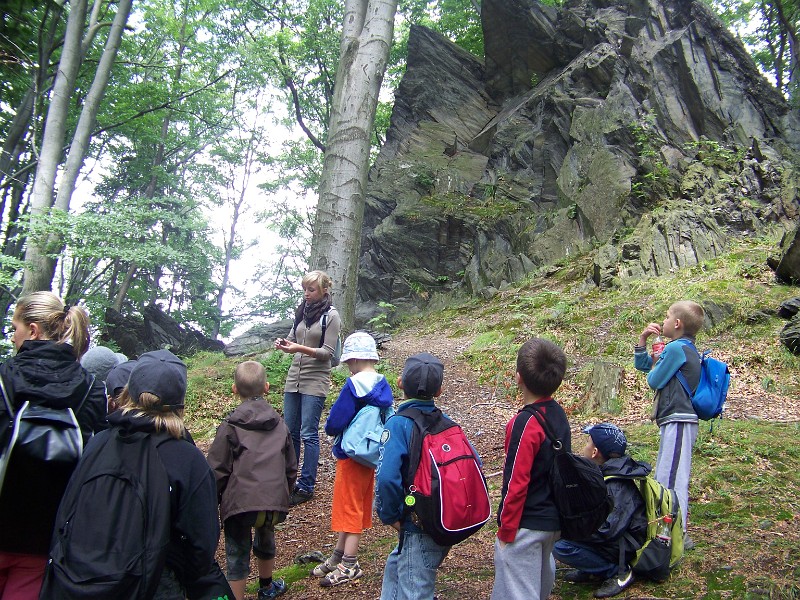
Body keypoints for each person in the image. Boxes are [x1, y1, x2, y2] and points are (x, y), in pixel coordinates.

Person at [0, 292, 106, 600]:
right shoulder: (91, 389)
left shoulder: (4, 377)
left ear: (33, 330)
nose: (13, 336)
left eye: (15, 328)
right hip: (46, 538)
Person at [102, 350, 231, 598]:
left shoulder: (97, 445)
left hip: (90, 578)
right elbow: (202, 545)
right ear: (181, 404)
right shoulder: (187, 458)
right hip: (157, 583)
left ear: (128, 392)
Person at [207, 360, 297, 600]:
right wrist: (284, 493)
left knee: (237, 553)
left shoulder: (230, 426)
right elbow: (290, 466)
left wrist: (214, 499)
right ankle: (266, 587)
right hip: (272, 501)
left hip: (240, 503)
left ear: (234, 389)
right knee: (266, 535)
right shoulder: (280, 424)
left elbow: (217, 468)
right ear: (266, 387)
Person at [312, 332, 393, 587]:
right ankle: (338, 556)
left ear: (356, 359)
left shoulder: (354, 386)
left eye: (348, 361)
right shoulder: (383, 385)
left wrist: (330, 428)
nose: (348, 366)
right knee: (355, 504)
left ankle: (350, 564)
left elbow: (335, 421)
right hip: (369, 455)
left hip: (350, 454)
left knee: (349, 508)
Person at [491, 337, 570, 600]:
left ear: (518, 378)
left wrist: (506, 529)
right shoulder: (558, 414)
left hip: (526, 525)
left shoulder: (524, 423)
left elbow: (516, 481)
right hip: (552, 522)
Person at [375, 352, 448, 600]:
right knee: (397, 567)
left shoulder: (398, 424)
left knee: (415, 589)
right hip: (444, 518)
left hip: (417, 524)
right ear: (439, 391)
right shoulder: (448, 423)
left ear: (399, 383)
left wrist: (390, 515)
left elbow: (386, 478)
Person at [553, 423, 650, 598]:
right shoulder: (605, 473)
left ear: (594, 452)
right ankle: (592, 569)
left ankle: (617, 572)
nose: (584, 446)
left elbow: (608, 530)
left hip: (624, 545)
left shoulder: (616, 484)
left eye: (588, 442)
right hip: (614, 538)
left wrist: (572, 529)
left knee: (560, 545)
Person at [634, 300, 703, 543]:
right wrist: (643, 340)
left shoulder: (676, 349)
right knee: (668, 474)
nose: (663, 321)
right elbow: (646, 366)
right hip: (674, 419)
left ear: (677, 323)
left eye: (666, 317)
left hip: (679, 419)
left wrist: (657, 361)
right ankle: (669, 531)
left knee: (672, 478)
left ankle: (675, 535)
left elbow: (653, 379)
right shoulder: (682, 348)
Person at [274, 270, 341, 505]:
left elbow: (327, 353)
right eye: (304, 289)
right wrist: (284, 344)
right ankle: (289, 480)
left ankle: (306, 485)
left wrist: (298, 349)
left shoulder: (331, 316)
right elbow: (293, 337)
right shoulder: (301, 310)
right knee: (290, 431)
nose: (306, 294)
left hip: (316, 379)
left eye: (311, 289)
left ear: (324, 290)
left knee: (308, 433)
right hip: (294, 378)